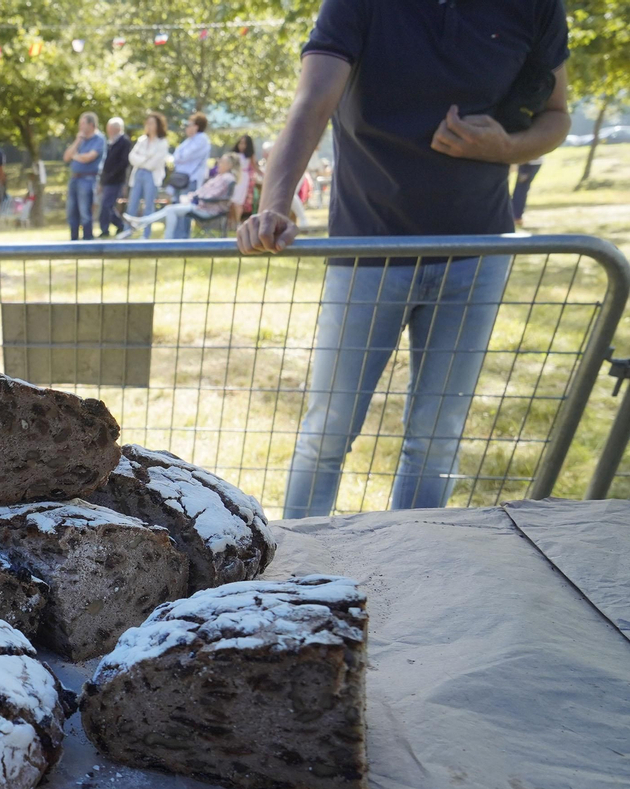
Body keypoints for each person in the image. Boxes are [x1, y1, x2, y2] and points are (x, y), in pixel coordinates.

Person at [238, 0, 570, 519]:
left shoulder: (535, 7)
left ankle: (418, 564)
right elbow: (311, 103)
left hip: (478, 254)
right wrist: (274, 206)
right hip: (368, 251)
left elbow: (557, 115)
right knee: (327, 430)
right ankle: (297, 571)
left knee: (436, 440)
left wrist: (504, 146)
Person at [122, 154, 240, 238]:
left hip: (207, 208)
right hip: (200, 205)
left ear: (229, 165)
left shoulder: (227, 178)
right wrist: (192, 196)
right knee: (170, 209)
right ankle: (142, 222)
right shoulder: (220, 177)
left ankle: (166, 239)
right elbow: (204, 192)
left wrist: (195, 198)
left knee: (171, 210)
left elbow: (213, 195)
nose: (219, 164)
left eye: (222, 162)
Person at [122, 112, 170, 238]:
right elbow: (132, 157)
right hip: (138, 174)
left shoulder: (162, 142)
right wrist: (146, 159)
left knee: (149, 206)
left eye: (152, 123)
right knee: (132, 204)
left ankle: (146, 234)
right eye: (147, 123)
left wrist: (141, 160)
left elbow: (154, 164)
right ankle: (127, 233)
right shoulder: (142, 140)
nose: (149, 126)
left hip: (152, 176)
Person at [63, 112, 105, 241]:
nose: (80, 126)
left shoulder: (99, 139)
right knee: (72, 211)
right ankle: (73, 239)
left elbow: (88, 157)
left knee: (85, 211)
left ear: (91, 125)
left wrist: (75, 156)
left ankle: (87, 239)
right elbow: (66, 157)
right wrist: (77, 141)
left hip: (88, 179)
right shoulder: (80, 140)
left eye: (82, 123)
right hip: (74, 179)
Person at [97, 118, 131, 237]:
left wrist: (112, 175)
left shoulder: (124, 142)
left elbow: (123, 162)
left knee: (107, 205)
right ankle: (117, 226)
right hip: (107, 179)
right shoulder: (109, 142)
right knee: (106, 205)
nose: (109, 131)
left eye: (111, 128)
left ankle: (114, 226)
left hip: (116, 179)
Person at [170, 112, 212, 201]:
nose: (187, 127)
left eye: (189, 124)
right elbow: (176, 156)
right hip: (180, 178)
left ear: (196, 126)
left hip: (191, 179)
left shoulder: (202, 139)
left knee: (185, 206)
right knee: (176, 205)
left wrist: (179, 157)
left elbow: (184, 156)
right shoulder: (189, 140)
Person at [229, 135, 259, 226]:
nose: (242, 146)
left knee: (239, 201)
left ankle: (238, 222)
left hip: (243, 179)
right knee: (231, 201)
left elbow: (255, 168)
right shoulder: (234, 155)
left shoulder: (249, 156)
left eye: (244, 144)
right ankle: (232, 222)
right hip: (234, 177)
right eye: (240, 143)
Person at [512, 160, 542, 227]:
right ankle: (516, 216)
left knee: (520, 190)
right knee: (520, 190)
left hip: (529, 163)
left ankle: (516, 216)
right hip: (528, 162)